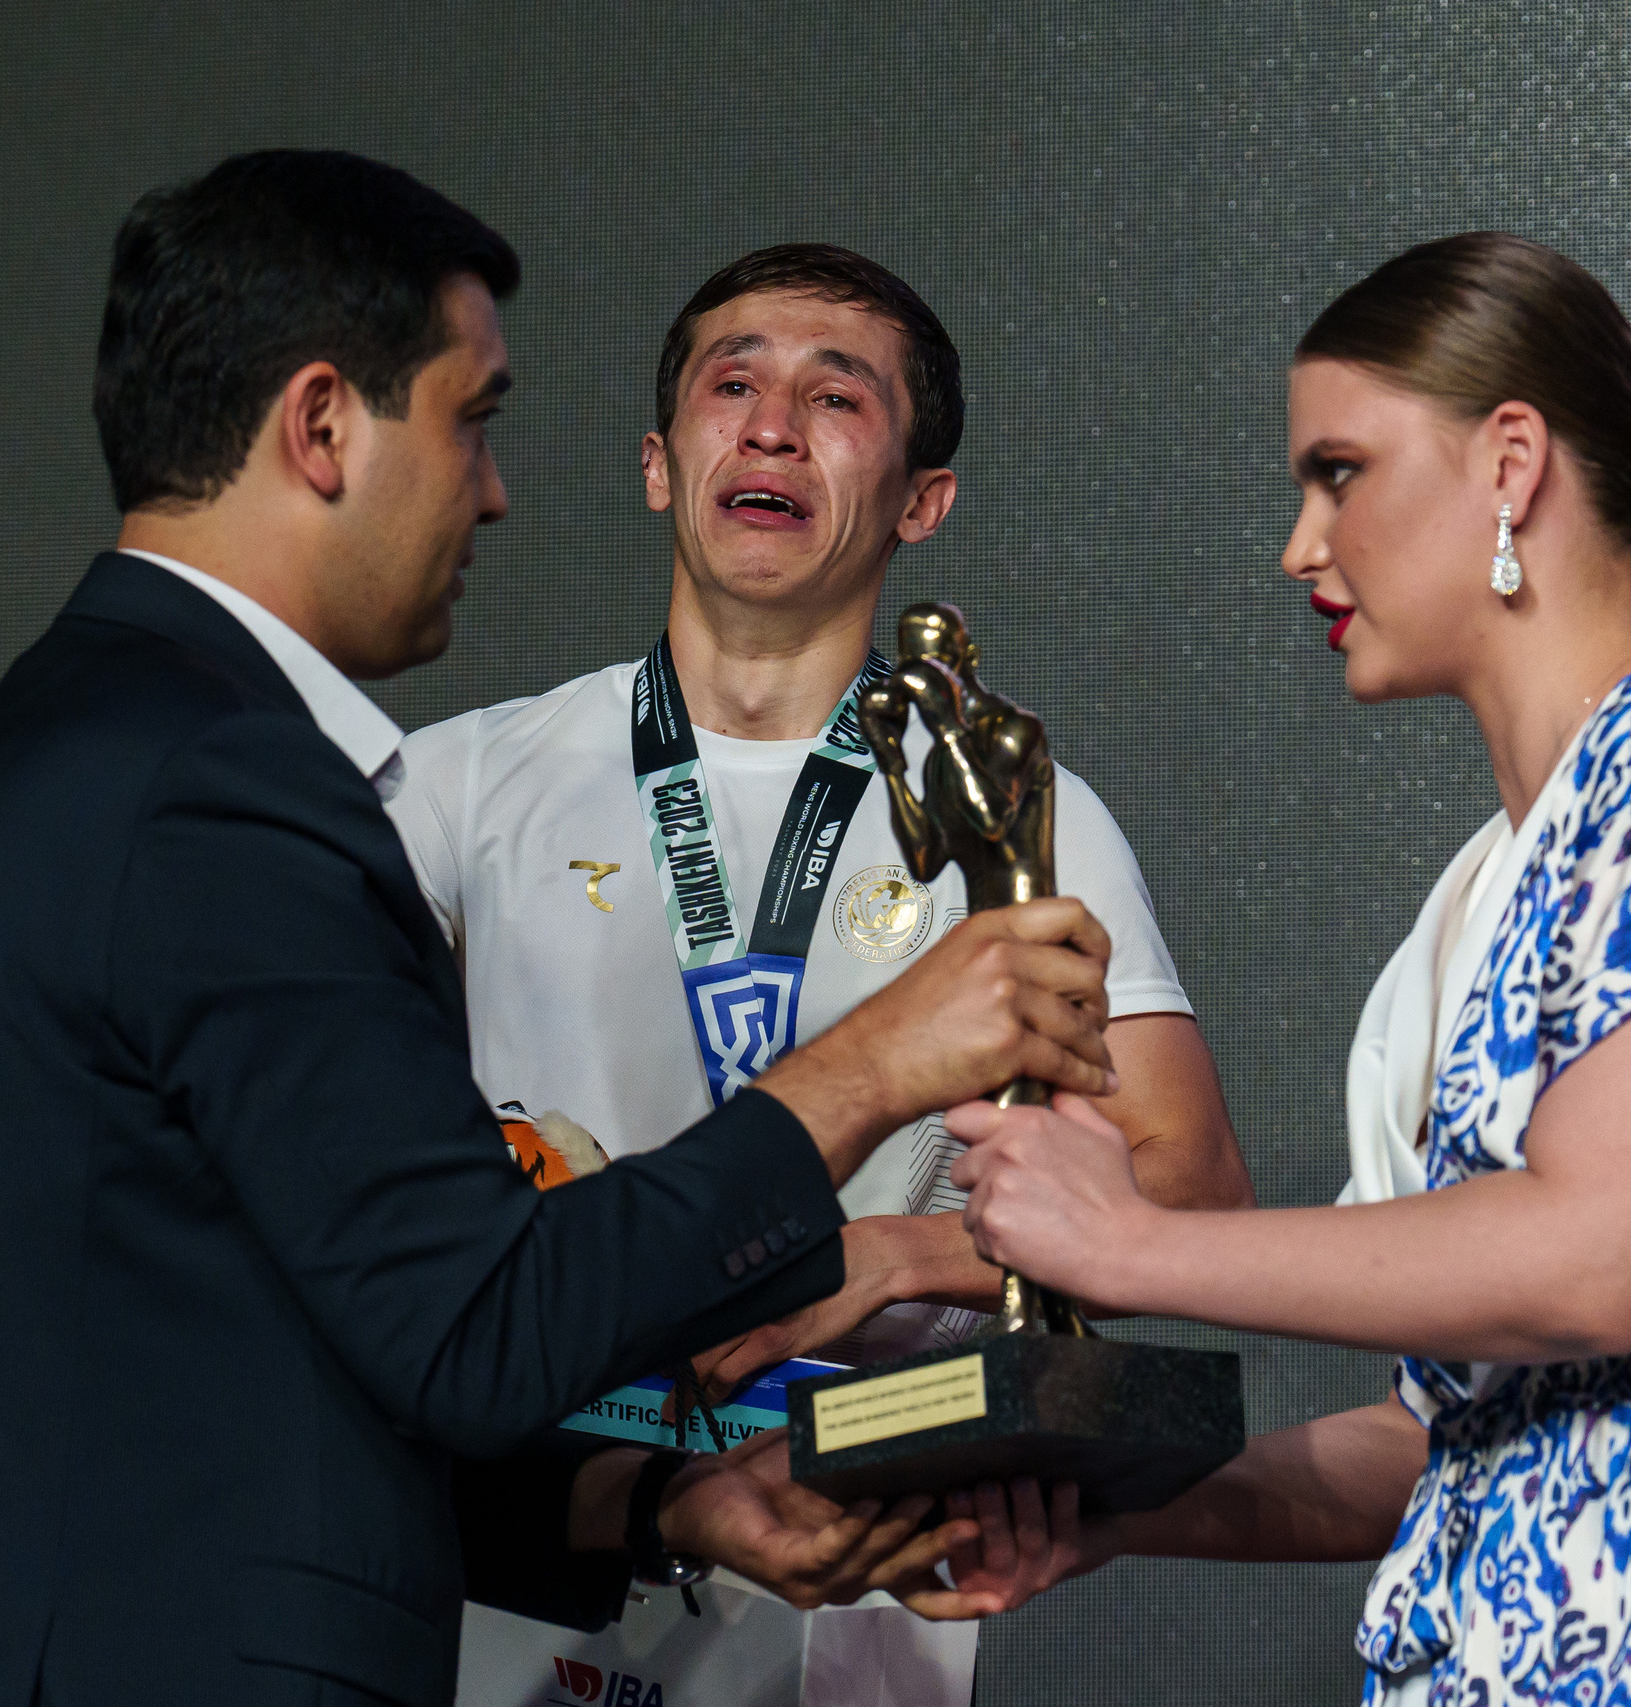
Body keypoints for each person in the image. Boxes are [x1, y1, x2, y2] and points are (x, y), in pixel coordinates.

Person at [0, 153, 1126, 1707]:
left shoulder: (57, 752)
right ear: (326, 425)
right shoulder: (225, 793)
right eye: (472, 420)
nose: (492, 485)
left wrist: (656, 1502)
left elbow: (288, 1352)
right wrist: (867, 1072)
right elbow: (475, 1319)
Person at [930, 233, 1631, 1703]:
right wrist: (1120, 1517)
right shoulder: (1479, 893)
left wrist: (1133, 1247)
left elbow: (1600, 1264)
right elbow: (1445, 1434)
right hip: (1522, 1648)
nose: (1301, 544)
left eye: (1340, 472)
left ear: (1510, 460)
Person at [386, 243, 1252, 1703]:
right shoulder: (459, 787)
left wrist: (901, 1259)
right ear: (662, 465)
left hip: (852, 1531)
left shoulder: (1006, 807)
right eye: (734, 384)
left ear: (924, 502)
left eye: (833, 397)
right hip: (538, 1529)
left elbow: (1193, 1179)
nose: (772, 424)